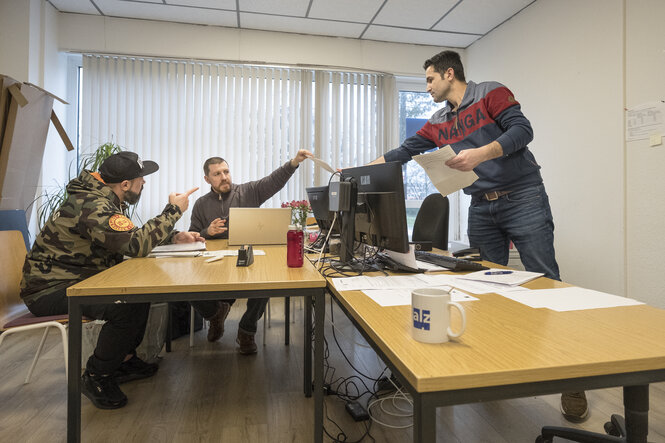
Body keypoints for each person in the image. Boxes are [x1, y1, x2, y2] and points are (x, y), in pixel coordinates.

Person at [369, 50, 587, 422]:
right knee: (488, 286)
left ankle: (572, 379)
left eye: (430, 80)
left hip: (523, 197)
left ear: (449, 74)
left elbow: (523, 130)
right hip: (481, 205)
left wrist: (479, 154)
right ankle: (496, 367)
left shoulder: (490, 92)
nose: (427, 87)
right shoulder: (439, 121)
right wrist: (364, 166)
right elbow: (406, 151)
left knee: (546, 283)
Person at [20, 151, 202, 410]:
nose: (144, 183)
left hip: (73, 280)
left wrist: (173, 236)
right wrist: (174, 210)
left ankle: (123, 361)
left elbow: (126, 237)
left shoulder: (101, 200)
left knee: (139, 294)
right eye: (141, 178)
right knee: (124, 305)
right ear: (125, 185)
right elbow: (137, 244)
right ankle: (97, 376)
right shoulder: (94, 205)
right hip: (50, 290)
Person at [188, 149, 312, 354]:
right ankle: (215, 316)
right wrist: (206, 231)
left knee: (266, 282)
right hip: (215, 263)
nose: (224, 177)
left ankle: (247, 329)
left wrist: (294, 162)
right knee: (186, 286)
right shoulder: (201, 204)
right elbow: (193, 236)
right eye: (217, 174)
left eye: (226, 171)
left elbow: (274, 181)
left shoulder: (248, 192)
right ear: (207, 178)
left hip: (247, 256)